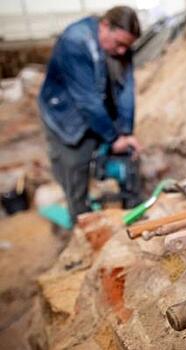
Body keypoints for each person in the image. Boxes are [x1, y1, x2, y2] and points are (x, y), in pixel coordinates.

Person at [38, 6, 142, 222]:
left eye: (127, 46)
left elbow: (126, 91)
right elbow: (87, 100)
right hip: (65, 114)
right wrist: (113, 138)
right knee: (75, 165)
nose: (123, 51)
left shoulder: (121, 47)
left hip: (96, 105)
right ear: (104, 26)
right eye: (120, 44)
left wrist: (125, 132)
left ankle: (128, 206)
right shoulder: (74, 42)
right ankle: (80, 221)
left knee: (124, 153)